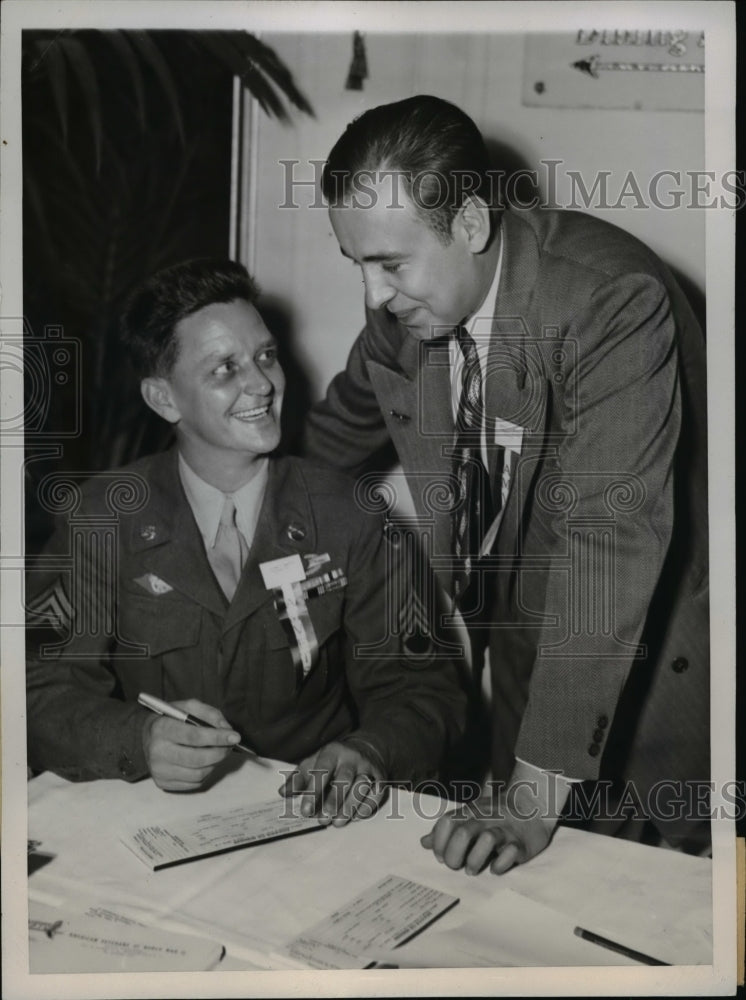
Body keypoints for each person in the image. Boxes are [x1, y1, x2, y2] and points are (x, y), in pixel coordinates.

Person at [302, 95, 710, 866]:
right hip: (531, 670)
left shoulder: (608, 298)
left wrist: (530, 795)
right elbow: (324, 452)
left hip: (670, 669)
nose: (373, 297)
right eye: (358, 264)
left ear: (471, 225)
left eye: (390, 263)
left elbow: (609, 542)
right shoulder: (402, 320)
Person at [26, 257, 467, 826]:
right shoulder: (101, 518)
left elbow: (424, 689)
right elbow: (39, 691)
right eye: (224, 368)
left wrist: (369, 752)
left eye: (264, 356)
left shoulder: (351, 515)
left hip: (310, 820)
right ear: (164, 399)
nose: (261, 383)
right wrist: (138, 738)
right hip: (146, 816)